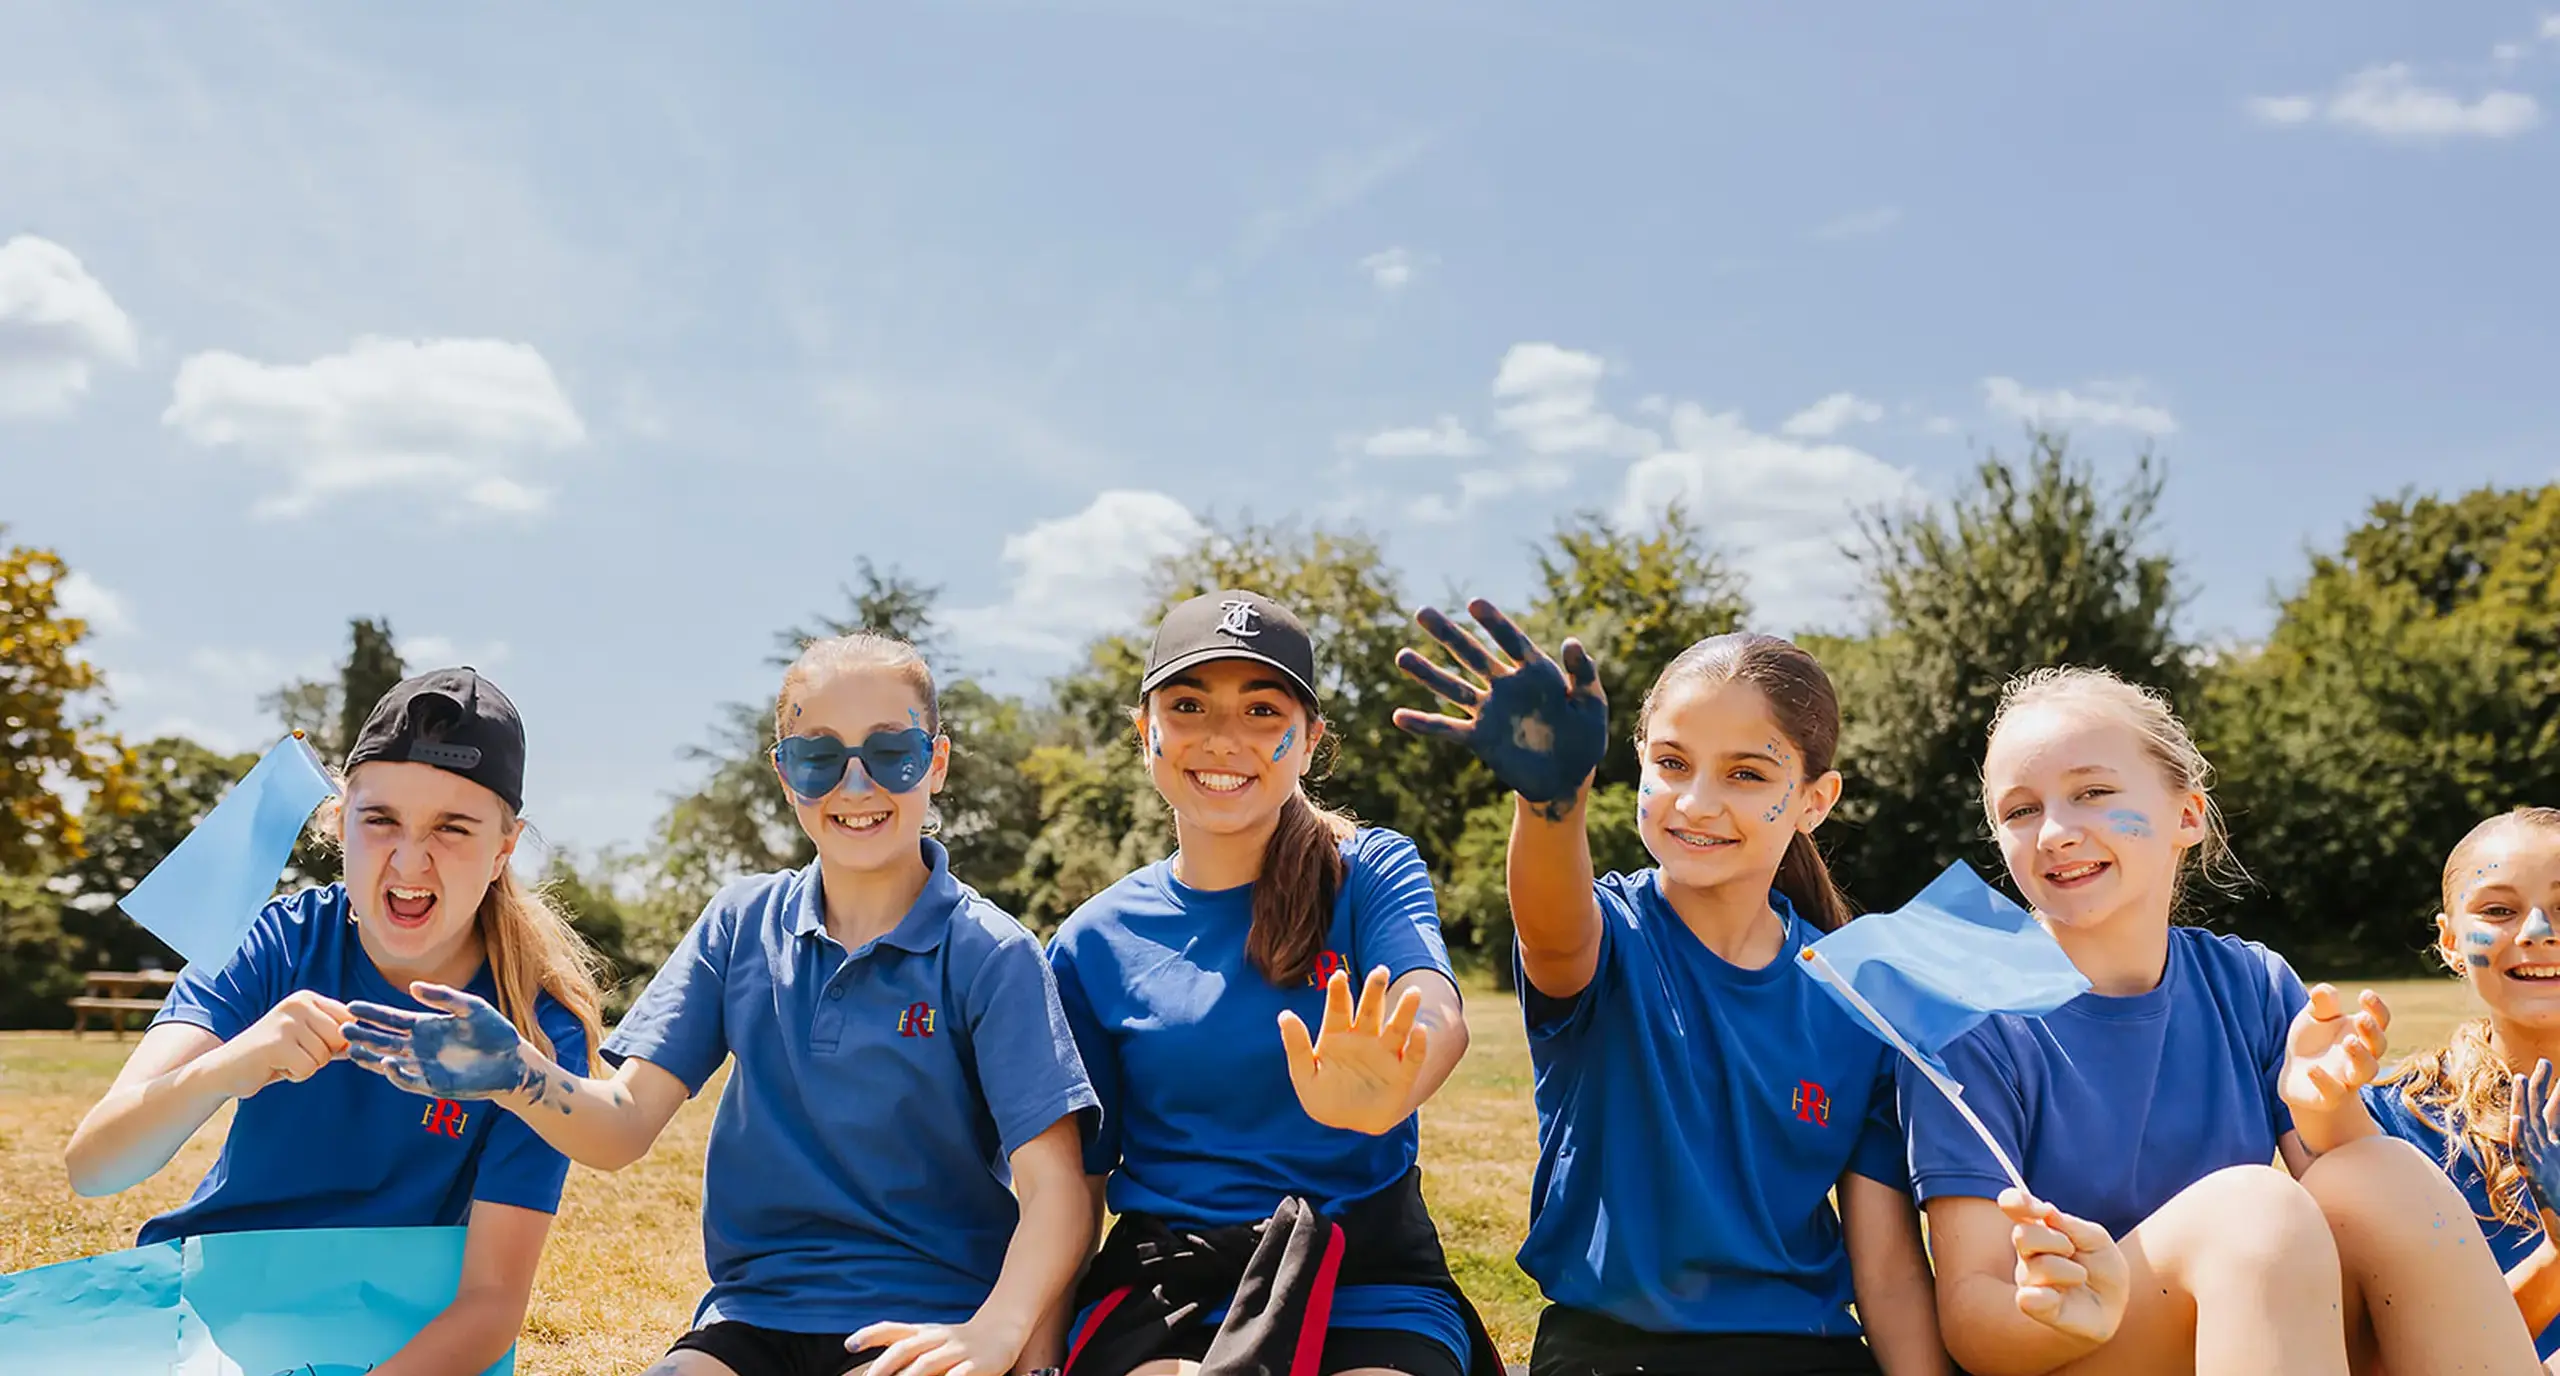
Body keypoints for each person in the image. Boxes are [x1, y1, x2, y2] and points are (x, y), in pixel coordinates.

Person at [341, 634, 1098, 1376]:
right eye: (820, 758)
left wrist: (997, 1331)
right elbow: (622, 1128)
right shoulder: (741, 923)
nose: (857, 785)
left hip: (928, 1321)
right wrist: (515, 1075)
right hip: (752, 1318)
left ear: (935, 764)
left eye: (891, 753)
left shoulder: (991, 954)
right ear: (784, 775)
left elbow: (1055, 1191)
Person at [1908, 665, 2545, 1375]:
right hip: (2081, 1351)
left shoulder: (2249, 983)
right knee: (2252, 1207)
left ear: (2187, 815)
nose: (2055, 831)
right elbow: (1972, 1318)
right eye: (2020, 811)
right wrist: (2058, 1314)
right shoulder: (1976, 1020)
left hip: (2243, 1334)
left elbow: (2362, 1217)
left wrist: (2326, 1110)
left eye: (2092, 793)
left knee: (2378, 1168)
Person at [1393, 600, 1946, 1376]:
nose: (1697, 802)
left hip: (1807, 1352)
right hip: (1611, 1353)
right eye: (1673, 763)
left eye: (1747, 775)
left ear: (1815, 802)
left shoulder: (1857, 995)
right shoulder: (1612, 933)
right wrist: (1551, 803)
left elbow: (1886, 1270)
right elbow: (1553, 933)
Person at [65, 667, 606, 1376]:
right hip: (208, 1315)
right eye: (380, 819)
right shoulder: (272, 943)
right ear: (338, 820)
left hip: (397, 1338)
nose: (410, 860)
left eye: (453, 827)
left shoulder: (534, 1029)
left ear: (505, 848)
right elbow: (95, 1166)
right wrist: (228, 1067)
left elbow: (492, 1304)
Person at [1045, 589, 1498, 1376]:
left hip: (1363, 1272)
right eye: (1188, 705)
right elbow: (1079, 1182)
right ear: (1144, 729)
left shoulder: (1370, 869)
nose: (1224, 739)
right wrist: (1041, 1352)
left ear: (1311, 739)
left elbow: (1433, 1006)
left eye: (1262, 710)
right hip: (1171, 1287)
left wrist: (1397, 1080)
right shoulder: (1093, 941)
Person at [2365, 806, 2560, 1362]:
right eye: (2499, 910)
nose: (2539, 933)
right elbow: (2387, 1361)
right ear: (2450, 942)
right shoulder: (2390, 1125)